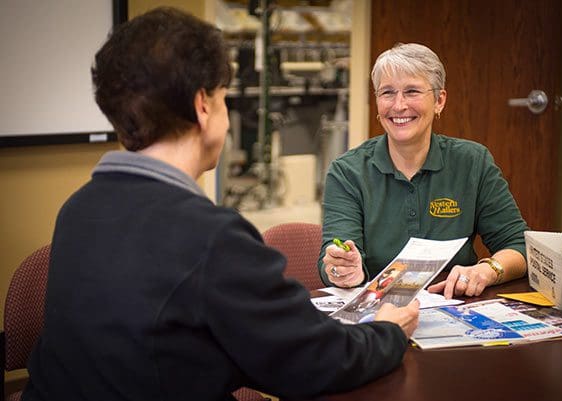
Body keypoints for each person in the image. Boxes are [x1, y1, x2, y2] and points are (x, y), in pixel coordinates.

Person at [22, 8, 420, 401]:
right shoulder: (210, 237)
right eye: (224, 98)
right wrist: (386, 330)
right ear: (203, 106)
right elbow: (314, 363)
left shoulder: (78, 208)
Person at [319, 43, 529, 299]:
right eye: (387, 93)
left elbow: (518, 247)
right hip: (380, 319)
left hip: (455, 309)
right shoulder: (347, 172)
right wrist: (343, 270)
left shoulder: (473, 162)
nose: (398, 105)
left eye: (412, 91)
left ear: (439, 100)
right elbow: (333, 257)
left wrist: (486, 270)